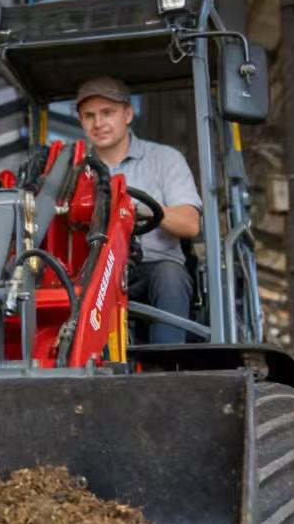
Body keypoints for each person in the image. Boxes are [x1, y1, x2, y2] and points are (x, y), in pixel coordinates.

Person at [75, 76, 201, 345]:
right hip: (91, 271)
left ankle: (166, 364)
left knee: (170, 277)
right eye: (89, 116)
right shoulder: (72, 171)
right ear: (80, 121)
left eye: (107, 113)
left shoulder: (165, 159)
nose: (98, 123)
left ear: (128, 114)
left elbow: (190, 224)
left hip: (152, 267)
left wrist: (143, 209)